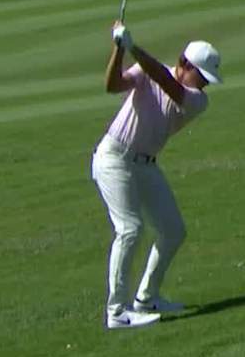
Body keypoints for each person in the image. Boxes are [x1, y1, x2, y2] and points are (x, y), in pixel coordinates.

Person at [92, 20, 222, 329]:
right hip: (114, 158)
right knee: (130, 229)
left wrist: (133, 46)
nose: (202, 84)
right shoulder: (149, 71)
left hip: (145, 164)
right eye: (200, 76)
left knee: (173, 230)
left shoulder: (196, 100)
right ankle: (117, 312)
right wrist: (119, 50)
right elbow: (112, 85)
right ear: (183, 64)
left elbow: (168, 84)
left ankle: (146, 298)